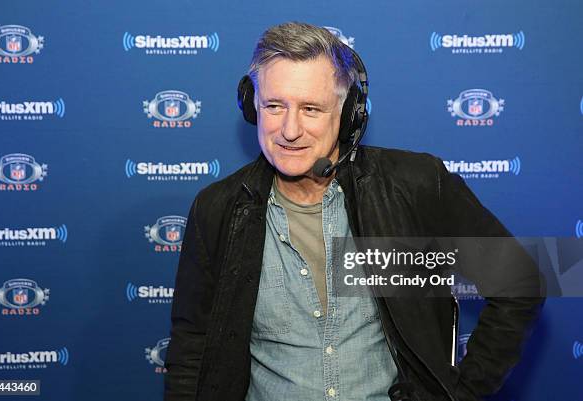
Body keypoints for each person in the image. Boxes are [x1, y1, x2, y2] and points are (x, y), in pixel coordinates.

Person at [164, 22, 544, 401]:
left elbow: (519, 282)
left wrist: (459, 392)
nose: (289, 129)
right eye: (274, 106)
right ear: (252, 107)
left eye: (311, 108)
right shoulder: (217, 209)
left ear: (349, 115)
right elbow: (192, 348)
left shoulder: (415, 187)